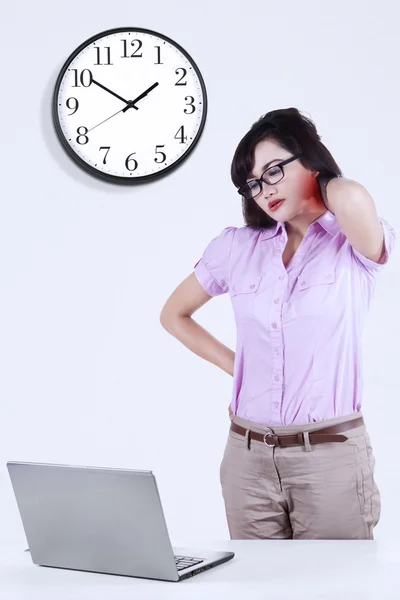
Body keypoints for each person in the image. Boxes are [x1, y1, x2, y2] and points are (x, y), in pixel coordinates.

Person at [159, 107, 396, 540]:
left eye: (273, 171)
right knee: (256, 586)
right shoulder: (237, 247)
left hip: (330, 456)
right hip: (247, 458)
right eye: (252, 182)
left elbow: (353, 196)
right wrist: (243, 367)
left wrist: (321, 176)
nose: (262, 190)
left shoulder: (353, 242)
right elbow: (174, 315)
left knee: (334, 585)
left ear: (309, 159)